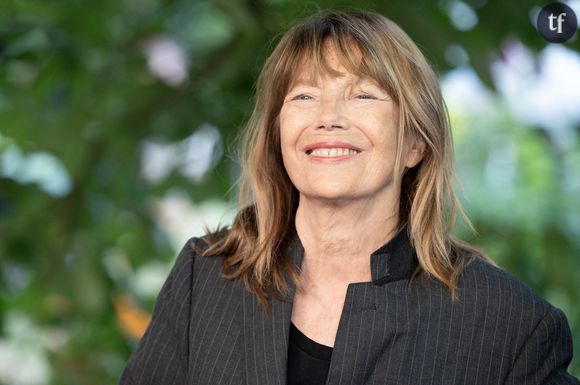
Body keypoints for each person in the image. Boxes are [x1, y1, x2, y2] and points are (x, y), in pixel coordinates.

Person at [119, 10, 579, 385]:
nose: (328, 118)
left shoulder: (509, 326)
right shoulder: (207, 275)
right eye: (303, 96)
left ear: (416, 143)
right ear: (278, 134)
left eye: (363, 95)